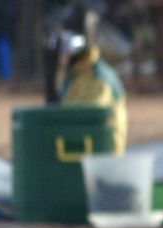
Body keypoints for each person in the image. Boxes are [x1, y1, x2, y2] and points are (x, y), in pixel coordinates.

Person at [43, 4, 128, 151]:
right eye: (65, 32)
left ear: (88, 36)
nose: (66, 40)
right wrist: (49, 74)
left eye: (73, 34)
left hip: (99, 164)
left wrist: (51, 82)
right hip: (78, 155)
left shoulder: (98, 79)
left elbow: (78, 128)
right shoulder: (72, 74)